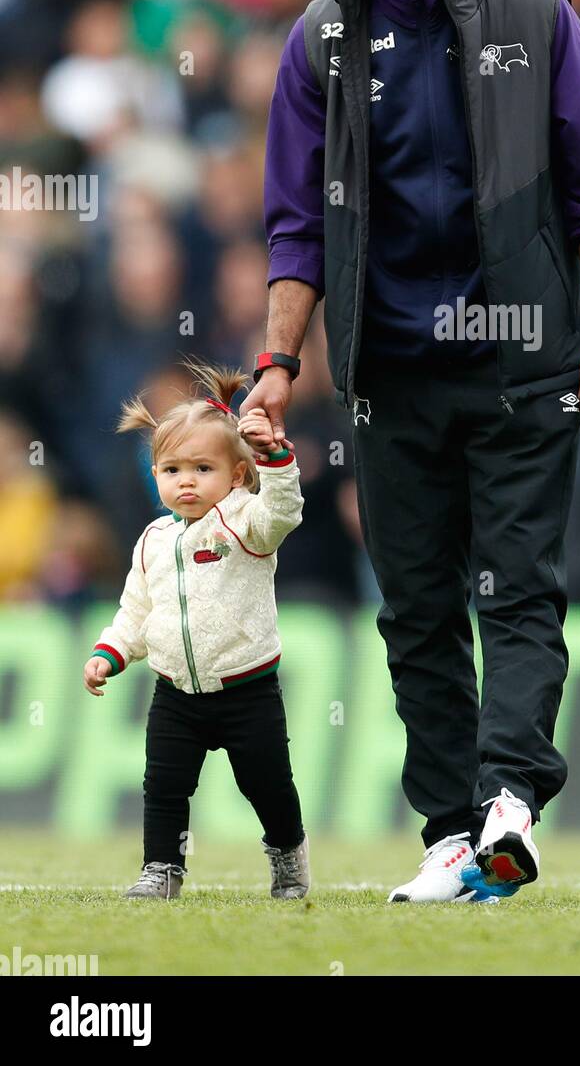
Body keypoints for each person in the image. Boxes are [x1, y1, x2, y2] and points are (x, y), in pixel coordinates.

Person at [243, 0, 580, 902]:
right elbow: (295, 224)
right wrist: (279, 363)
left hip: (521, 361)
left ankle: (511, 799)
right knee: (415, 606)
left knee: (518, 591)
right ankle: (452, 834)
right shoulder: (320, 34)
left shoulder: (538, 9)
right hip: (388, 374)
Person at [84, 356, 309, 902]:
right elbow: (136, 609)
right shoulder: (154, 540)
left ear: (235, 475)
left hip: (246, 689)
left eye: (203, 469)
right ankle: (162, 867)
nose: (187, 481)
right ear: (155, 473)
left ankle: (288, 853)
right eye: (172, 470)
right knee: (163, 786)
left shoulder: (245, 522)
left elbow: (284, 512)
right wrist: (110, 653)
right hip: (175, 692)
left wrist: (276, 460)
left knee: (267, 785)